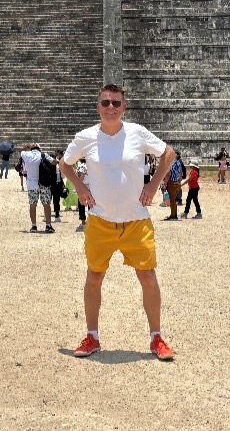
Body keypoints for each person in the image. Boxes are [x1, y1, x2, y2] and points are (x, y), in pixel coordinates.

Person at [60, 83, 177, 361]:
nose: (110, 107)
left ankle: (156, 337)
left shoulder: (136, 132)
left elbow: (168, 153)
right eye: (105, 103)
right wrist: (80, 188)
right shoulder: (85, 137)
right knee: (94, 277)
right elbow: (65, 164)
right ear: (97, 106)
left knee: (148, 276)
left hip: (136, 220)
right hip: (100, 220)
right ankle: (92, 336)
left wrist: (153, 185)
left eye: (115, 103)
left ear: (124, 106)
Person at [21, 143, 56, 233]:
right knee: (46, 204)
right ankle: (48, 225)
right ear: (39, 149)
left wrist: (27, 146)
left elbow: (22, 150)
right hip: (44, 183)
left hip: (31, 184)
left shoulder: (26, 154)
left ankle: (34, 226)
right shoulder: (43, 155)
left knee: (33, 205)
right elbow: (54, 162)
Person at [163, 151, 183, 220]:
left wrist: (164, 184)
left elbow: (168, 174)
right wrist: (179, 182)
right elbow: (181, 174)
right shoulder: (178, 162)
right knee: (174, 199)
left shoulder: (171, 163)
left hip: (171, 182)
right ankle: (175, 214)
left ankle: (172, 215)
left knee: (172, 200)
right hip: (177, 182)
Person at [50, 149, 66, 222]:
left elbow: (63, 176)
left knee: (54, 200)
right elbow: (63, 176)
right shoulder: (58, 166)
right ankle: (56, 214)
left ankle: (56, 214)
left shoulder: (51, 166)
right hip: (54, 184)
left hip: (54, 184)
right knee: (54, 200)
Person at [75, 158, 89, 227]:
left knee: (82, 204)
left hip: (83, 187)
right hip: (90, 187)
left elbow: (81, 176)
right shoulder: (90, 165)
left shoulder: (82, 166)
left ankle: (83, 222)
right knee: (91, 205)